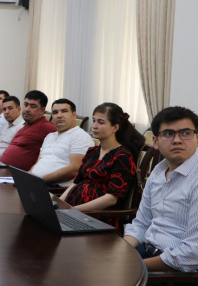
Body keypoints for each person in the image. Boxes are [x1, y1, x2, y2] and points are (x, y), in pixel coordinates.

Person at [124, 106, 198, 272]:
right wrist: (120, 252)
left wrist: (134, 266)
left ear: (197, 138)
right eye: (168, 134)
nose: (177, 140)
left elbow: (193, 253)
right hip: (145, 252)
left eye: (186, 133)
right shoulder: (158, 171)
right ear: (155, 142)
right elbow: (141, 224)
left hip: (174, 270)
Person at [59, 102, 145, 233]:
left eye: (100, 122)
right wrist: (60, 204)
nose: (94, 126)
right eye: (93, 121)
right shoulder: (92, 151)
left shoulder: (122, 156)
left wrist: (74, 211)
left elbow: (111, 198)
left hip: (98, 217)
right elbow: (76, 182)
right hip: (75, 211)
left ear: (115, 127)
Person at [29, 99, 94, 187]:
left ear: (74, 115)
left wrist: (40, 180)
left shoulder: (80, 136)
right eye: (55, 112)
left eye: (64, 111)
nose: (59, 115)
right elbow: (39, 162)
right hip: (36, 183)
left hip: (55, 189)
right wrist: (28, 175)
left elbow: (75, 169)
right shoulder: (49, 136)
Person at [0, 90, 57, 170]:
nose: (27, 109)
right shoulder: (27, 124)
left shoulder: (45, 126)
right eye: (26, 105)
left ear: (42, 110)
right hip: (3, 170)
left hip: (19, 177)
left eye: (33, 106)